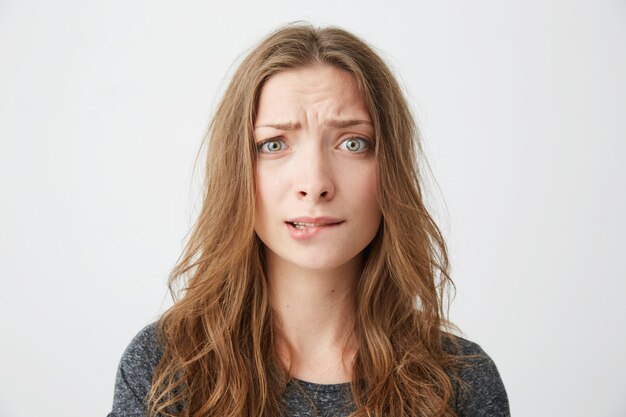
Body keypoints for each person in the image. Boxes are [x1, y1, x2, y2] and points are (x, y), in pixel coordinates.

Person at [108, 22, 510, 417]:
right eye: (274, 144)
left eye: (353, 143)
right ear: (236, 171)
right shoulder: (165, 368)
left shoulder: (461, 384)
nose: (315, 183)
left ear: (392, 171)